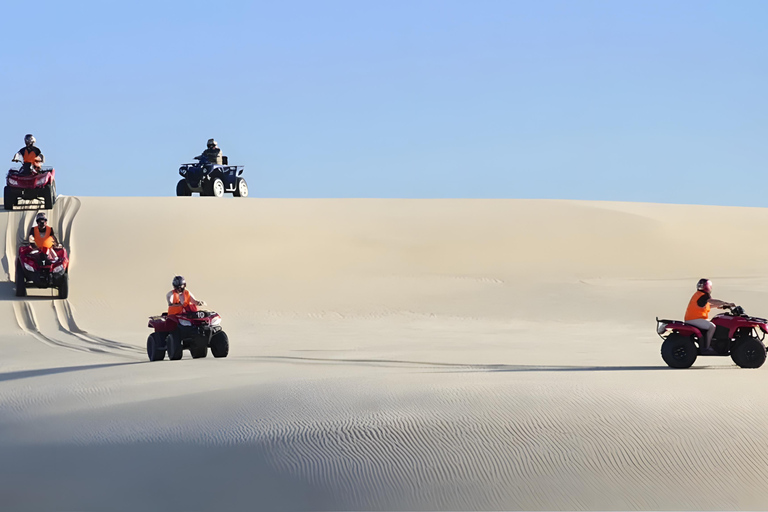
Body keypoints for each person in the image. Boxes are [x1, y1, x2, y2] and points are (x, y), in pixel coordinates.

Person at [684, 278, 734, 355]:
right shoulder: (703, 296)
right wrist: (726, 303)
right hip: (694, 319)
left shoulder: (698, 295)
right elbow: (712, 301)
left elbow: (709, 305)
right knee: (712, 327)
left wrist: (723, 306)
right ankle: (707, 348)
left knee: (714, 322)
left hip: (694, 319)